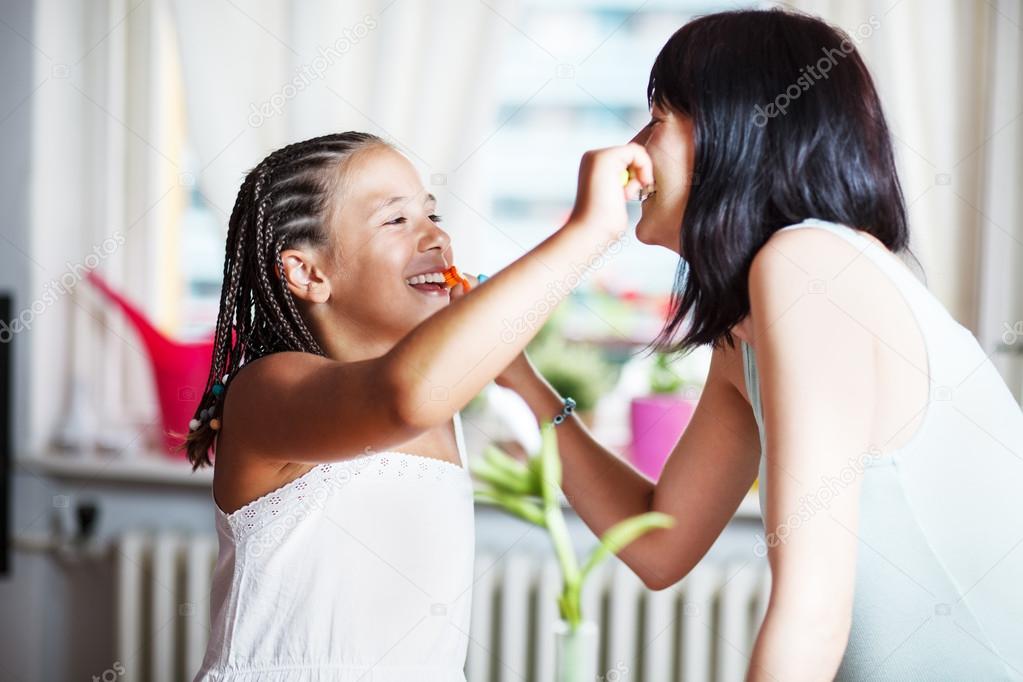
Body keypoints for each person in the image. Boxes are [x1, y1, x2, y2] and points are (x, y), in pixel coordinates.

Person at [495, 9, 1023, 681]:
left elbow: (810, 609)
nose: (631, 147)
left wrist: (585, 230)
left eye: (657, 118)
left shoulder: (807, 266)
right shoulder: (749, 325)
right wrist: (519, 378)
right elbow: (660, 544)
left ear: (737, 132)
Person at [185, 131, 653, 681]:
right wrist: (588, 232)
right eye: (396, 220)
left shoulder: (436, 406)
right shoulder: (268, 390)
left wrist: (518, 374)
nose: (435, 236)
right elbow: (404, 396)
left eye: (432, 214)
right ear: (309, 272)